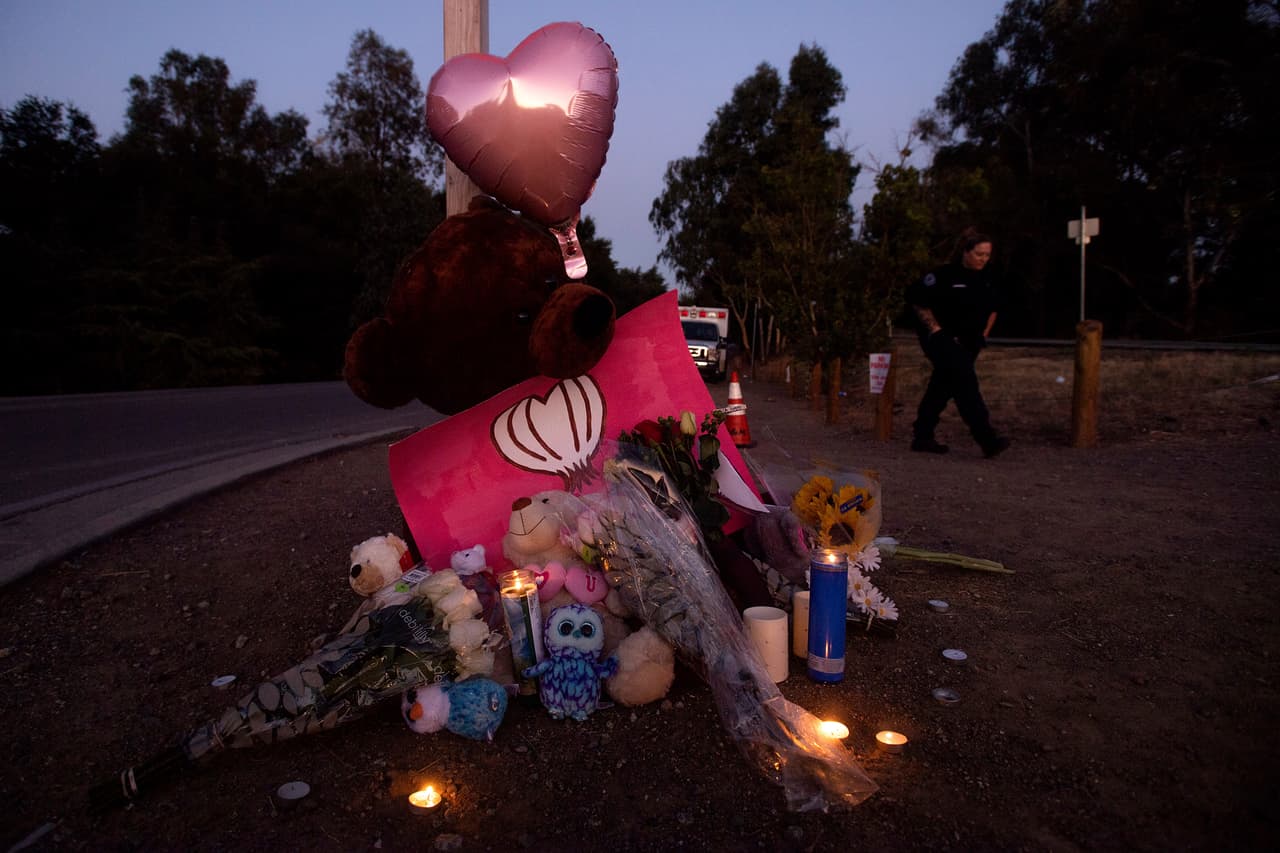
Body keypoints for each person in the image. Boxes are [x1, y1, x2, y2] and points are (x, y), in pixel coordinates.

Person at [907, 232, 1010, 458]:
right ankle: (987, 439)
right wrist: (935, 330)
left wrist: (983, 333)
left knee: (942, 385)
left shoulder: (988, 277)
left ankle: (922, 435)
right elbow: (917, 300)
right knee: (966, 384)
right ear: (966, 252)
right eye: (979, 254)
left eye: (987, 255)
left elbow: (993, 308)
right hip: (943, 341)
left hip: (970, 342)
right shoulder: (943, 275)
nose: (983, 259)